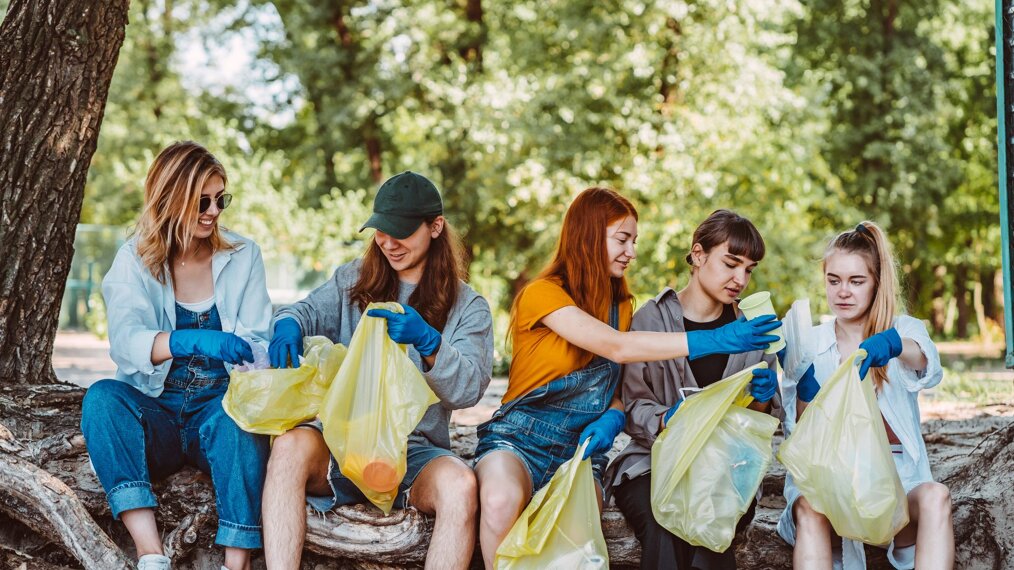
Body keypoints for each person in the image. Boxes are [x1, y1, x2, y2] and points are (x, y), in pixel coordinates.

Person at [473, 189, 783, 569]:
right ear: (587, 236)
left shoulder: (620, 306)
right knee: (501, 501)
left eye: (633, 241)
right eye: (623, 239)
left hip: (581, 451)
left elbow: (616, 391)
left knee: (579, 539)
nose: (632, 252)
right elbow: (617, 347)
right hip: (521, 440)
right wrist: (714, 340)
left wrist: (613, 416)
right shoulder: (542, 294)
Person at [261, 171, 493, 570]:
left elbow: (469, 388)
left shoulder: (469, 306)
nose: (387, 242)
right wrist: (289, 324)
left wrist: (431, 344)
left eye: (400, 231)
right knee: (288, 447)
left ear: (436, 227)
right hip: (343, 440)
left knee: (460, 486)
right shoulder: (354, 278)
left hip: (414, 452)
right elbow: (306, 310)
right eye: (381, 231)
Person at [80, 141, 272, 570]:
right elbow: (126, 342)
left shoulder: (244, 256)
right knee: (102, 400)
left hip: (218, 412)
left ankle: (235, 563)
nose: (214, 211)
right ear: (171, 199)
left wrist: (253, 351)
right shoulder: (134, 259)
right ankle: (151, 554)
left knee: (241, 423)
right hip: (159, 414)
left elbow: (257, 340)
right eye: (202, 201)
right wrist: (191, 341)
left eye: (221, 199)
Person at [606, 209, 782, 570]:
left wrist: (764, 399)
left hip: (729, 467)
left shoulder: (753, 330)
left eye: (749, 269)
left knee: (710, 526)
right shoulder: (650, 319)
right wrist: (667, 419)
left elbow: (759, 424)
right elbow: (633, 405)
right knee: (664, 523)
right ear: (698, 255)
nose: (740, 278)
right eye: (731, 263)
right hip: (651, 464)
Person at [778, 222, 952, 570]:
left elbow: (927, 367)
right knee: (811, 507)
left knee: (936, 496)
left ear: (876, 283)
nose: (843, 292)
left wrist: (893, 346)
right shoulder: (808, 342)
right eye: (834, 280)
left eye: (856, 281)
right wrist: (804, 390)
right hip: (828, 485)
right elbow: (798, 437)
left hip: (897, 483)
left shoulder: (903, 328)